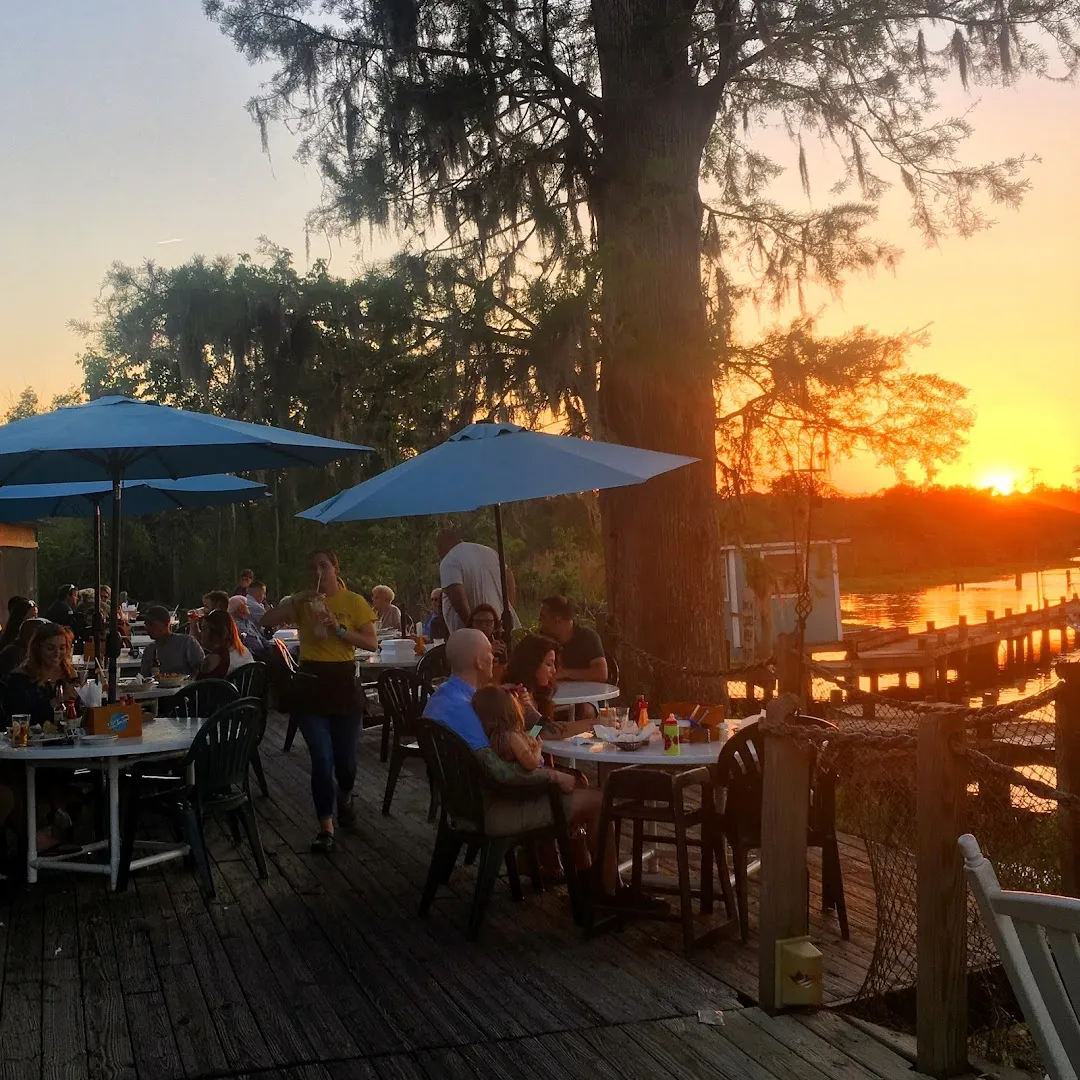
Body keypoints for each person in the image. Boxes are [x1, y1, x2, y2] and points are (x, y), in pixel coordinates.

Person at [423, 629, 616, 891]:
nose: (495, 658)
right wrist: (553, 775)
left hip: (462, 805)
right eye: (490, 653)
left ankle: (577, 872)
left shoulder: (445, 697)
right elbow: (500, 771)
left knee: (578, 781)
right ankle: (608, 891)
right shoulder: (469, 709)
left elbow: (527, 734)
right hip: (494, 807)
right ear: (479, 661)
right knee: (598, 799)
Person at [261, 549, 378, 853]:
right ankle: (326, 826)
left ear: (336, 568)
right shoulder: (302, 601)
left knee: (346, 764)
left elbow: (371, 642)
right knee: (322, 760)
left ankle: (346, 795)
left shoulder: (354, 602)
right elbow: (266, 618)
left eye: (324, 566)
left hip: (344, 687)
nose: (318, 572)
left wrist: (338, 628)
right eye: (312, 567)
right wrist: (291, 602)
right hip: (311, 686)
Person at [437, 527, 519, 633]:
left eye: (438, 548)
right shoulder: (489, 552)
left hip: (478, 638)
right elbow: (509, 576)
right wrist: (508, 611)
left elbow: (456, 595)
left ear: (444, 544)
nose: (439, 553)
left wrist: (473, 628)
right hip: (503, 628)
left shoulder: (449, 560)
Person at [1, 622, 78, 726]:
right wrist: (55, 701)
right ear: (38, 649)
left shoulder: (69, 675)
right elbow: (21, 716)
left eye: (62, 648)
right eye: (50, 648)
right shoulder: (20, 678)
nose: (57, 653)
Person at [538, 596, 608, 683]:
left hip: (587, 694)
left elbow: (601, 674)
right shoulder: (542, 638)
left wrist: (565, 673)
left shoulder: (588, 637)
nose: (539, 620)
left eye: (543, 616)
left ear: (557, 620)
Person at [472, 685, 543, 771]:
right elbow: (531, 764)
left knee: (539, 725)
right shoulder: (512, 737)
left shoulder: (495, 736)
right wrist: (539, 747)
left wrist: (528, 738)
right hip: (531, 779)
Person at [504, 634, 560, 723]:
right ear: (533, 665)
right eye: (549, 664)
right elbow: (536, 733)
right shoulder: (510, 695)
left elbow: (537, 733)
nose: (554, 671)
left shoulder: (538, 693)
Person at [139, 604, 204, 678]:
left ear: (166, 624)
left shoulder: (186, 642)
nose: (148, 628)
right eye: (146, 624)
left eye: (152, 624)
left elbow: (200, 669)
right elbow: (144, 677)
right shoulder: (149, 650)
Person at [198, 610, 253, 679]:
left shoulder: (214, 659)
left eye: (203, 629)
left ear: (214, 633)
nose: (200, 633)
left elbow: (198, 685)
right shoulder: (244, 651)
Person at [228, 595, 270, 660]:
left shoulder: (248, 622)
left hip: (263, 653)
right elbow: (248, 644)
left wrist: (270, 646)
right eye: (246, 605)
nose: (248, 607)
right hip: (254, 658)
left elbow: (261, 637)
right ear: (240, 609)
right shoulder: (235, 624)